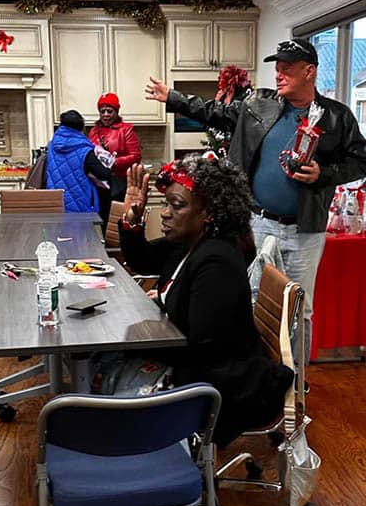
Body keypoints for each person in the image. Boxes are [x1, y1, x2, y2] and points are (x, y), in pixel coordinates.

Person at [145, 38, 366, 364]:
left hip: (306, 230)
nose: (278, 73)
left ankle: (295, 381)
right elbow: (215, 112)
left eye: (287, 68)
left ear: (310, 71)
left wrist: (325, 174)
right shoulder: (258, 104)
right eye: (277, 67)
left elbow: (360, 160)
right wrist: (174, 99)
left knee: (300, 308)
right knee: (249, 298)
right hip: (258, 222)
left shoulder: (336, 117)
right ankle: (256, 371)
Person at [119, 155, 294, 448]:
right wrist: (132, 220)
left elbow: (203, 348)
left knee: (111, 375)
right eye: (166, 204)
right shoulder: (189, 243)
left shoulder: (216, 260)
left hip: (222, 380)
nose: (164, 213)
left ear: (209, 213)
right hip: (200, 362)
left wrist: (132, 341)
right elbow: (143, 259)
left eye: (177, 205)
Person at [46, 109, 112, 216]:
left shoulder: (52, 146)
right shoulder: (84, 150)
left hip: (56, 205)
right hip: (80, 207)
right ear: (81, 128)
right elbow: (104, 174)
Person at [88, 92, 142, 222]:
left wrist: (113, 162)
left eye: (109, 111)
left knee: (119, 220)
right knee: (101, 220)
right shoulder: (93, 131)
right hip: (98, 184)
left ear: (116, 111)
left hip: (119, 183)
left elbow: (135, 156)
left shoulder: (126, 130)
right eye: (102, 111)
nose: (106, 115)